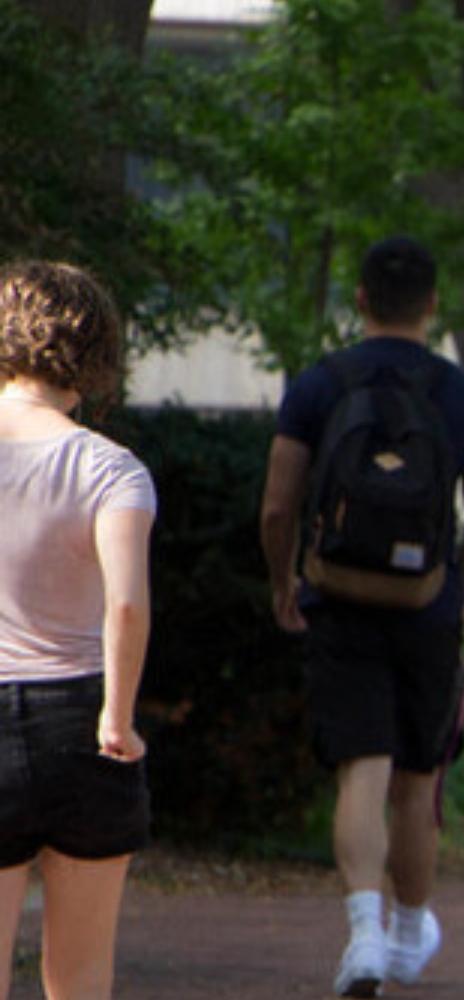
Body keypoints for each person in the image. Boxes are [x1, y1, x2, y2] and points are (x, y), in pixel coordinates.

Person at [259, 237, 464, 997]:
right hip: (425, 606)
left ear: (360, 299)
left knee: (360, 770)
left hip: (337, 601)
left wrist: (285, 582)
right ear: (433, 304)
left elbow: (277, 504)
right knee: (416, 778)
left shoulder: (318, 385)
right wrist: (455, 597)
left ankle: (363, 931)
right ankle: (407, 933)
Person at [0, 262, 153, 1000]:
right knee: (82, 972)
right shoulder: (110, 468)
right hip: (81, 715)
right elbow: (125, 603)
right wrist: (116, 720)